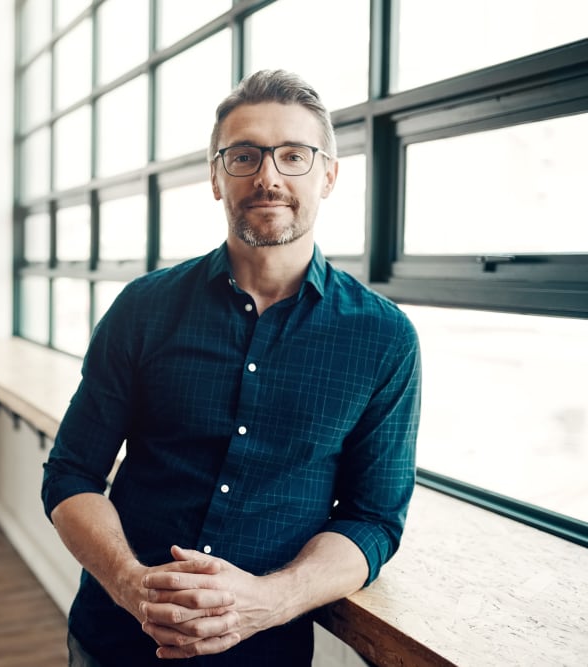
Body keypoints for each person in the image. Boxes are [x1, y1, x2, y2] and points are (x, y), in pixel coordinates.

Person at [41, 69, 422, 666]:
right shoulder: (143, 308)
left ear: (329, 175)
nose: (268, 176)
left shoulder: (383, 338)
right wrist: (129, 583)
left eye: (293, 155)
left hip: (264, 653)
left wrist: (268, 601)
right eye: (244, 156)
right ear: (217, 178)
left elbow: (374, 520)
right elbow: (71, 473)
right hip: (116, 641)